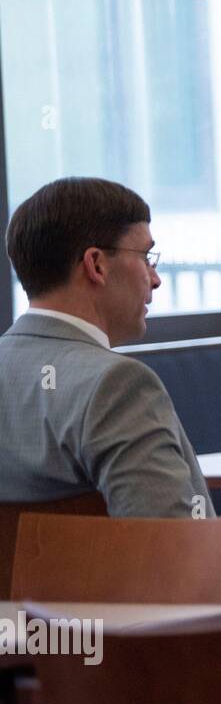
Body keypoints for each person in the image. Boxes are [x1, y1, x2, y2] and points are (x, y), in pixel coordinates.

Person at [0, 177, 210, 517]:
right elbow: (167, 547)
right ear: (96, 265)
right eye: (145, 256)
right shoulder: (116, 386)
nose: (155, 278)